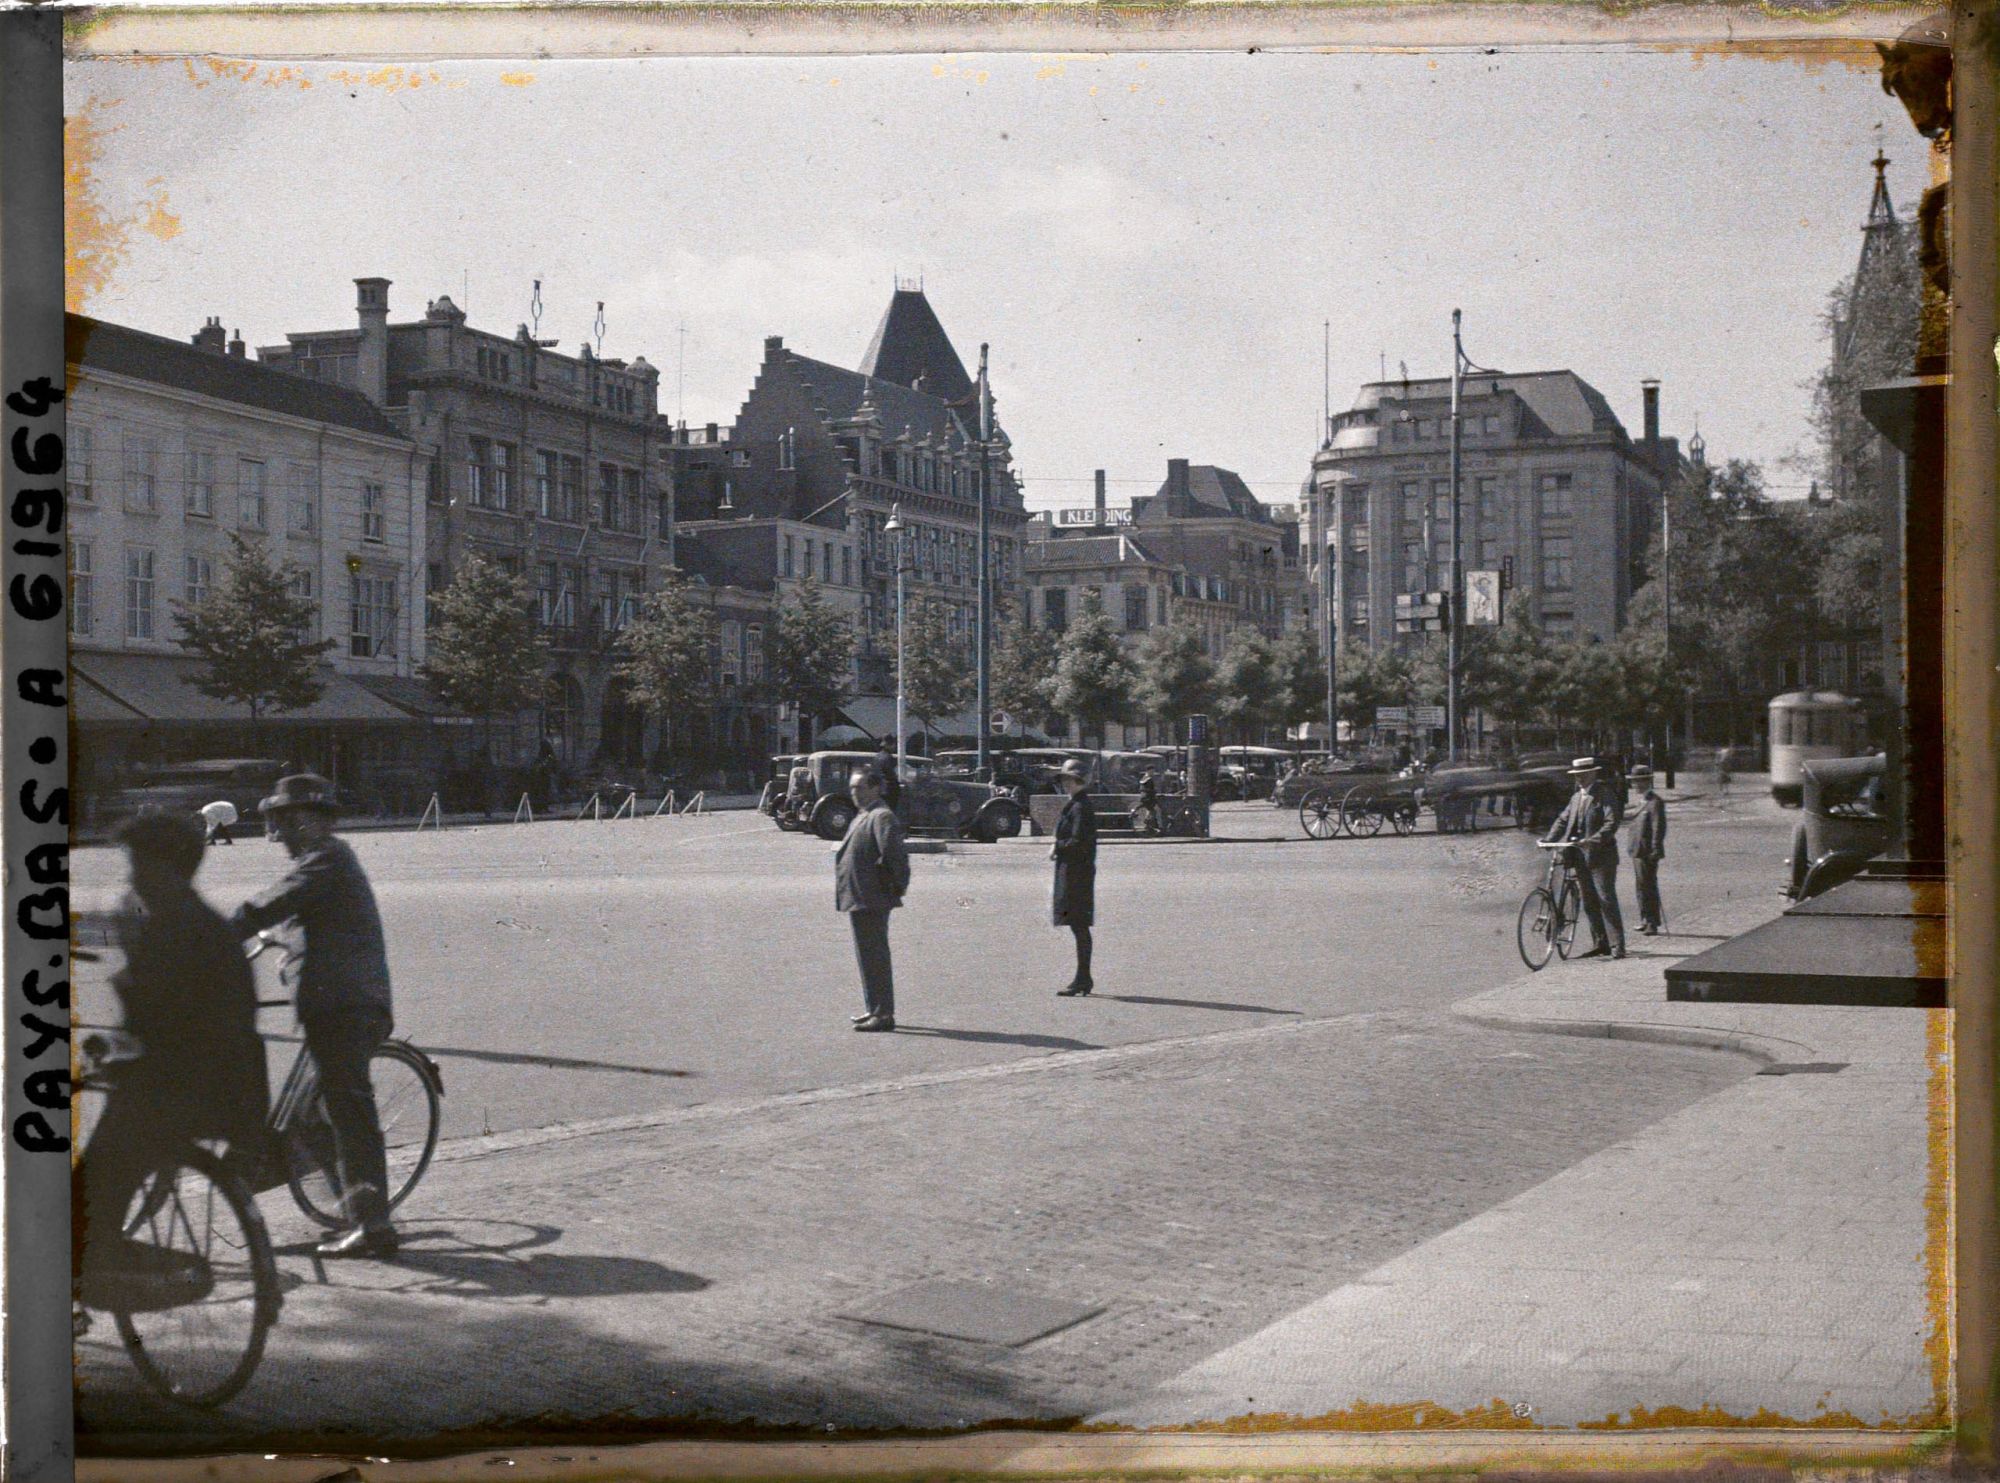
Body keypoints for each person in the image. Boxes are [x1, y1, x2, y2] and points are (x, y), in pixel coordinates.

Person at [78, 810, 269, 1281]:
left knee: (93, 1181)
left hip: (177, 1093)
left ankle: (100, 1266)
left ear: (167, 867)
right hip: (222, 1092)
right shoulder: (197, 920)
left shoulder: (174, 928)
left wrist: (110, 1054)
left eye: (139, 865)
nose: (132, 877)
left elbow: (153, 1018)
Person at [230, 774, 401, 1259]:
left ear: (310, 820)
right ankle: (357, 1208)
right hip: (336, 1004)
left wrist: (216, 935)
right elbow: (296, 915)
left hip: (345, 1007)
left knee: (348, 1112)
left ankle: (373, 1225)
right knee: (308, 1117)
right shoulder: (326, 860)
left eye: (284, 823)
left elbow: (275, 901)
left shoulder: (327, 859)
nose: (276, 835)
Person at [835, 765, 910, 1032]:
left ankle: (883, 1014)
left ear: (876, 788)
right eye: (852, 788)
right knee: (867, 956)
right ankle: (874, 1008)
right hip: (860, 895)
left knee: (875, 957)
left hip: (872, 897)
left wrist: (893, 889)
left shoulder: (881, 816)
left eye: (860, 787)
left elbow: (895, 857)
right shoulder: (864, 814)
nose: (855, 793)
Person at [1541, 755, 1626, 960]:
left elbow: (1611, 823)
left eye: (1583, 775)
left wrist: (1592, 840)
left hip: (1601, 857)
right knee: (1589, 901)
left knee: (1605, 898)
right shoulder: (1576, 798)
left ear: (1592, 774)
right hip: (1579, 857)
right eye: (1576, 775)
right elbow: (1562, 820)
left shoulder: (1604, 794)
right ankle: (1600, 943)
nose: (1579, 779)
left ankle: (1618, 945)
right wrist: (1548, 840)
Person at [1051, 759, 1099, 995]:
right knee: (1078, 926)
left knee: (1079, 926)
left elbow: (1079, 841)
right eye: (1064, 780)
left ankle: (1083, 978)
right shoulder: (1076, 804)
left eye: (1069, 780)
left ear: (1078, 780)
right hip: (1075, 871)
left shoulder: (1080, 807)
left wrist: (1057, 846)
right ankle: (1083, 978)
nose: (1065, 784)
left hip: (1076, 873)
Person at [1629, 765, 1668, 935]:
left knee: (1649, 886)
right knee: (1641, 886)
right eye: (1633, 782)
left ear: (1646, 782)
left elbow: (1658, 828)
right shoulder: (1642, 801)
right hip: (1637, 850)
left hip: (1647, 852)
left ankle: (1652, 922)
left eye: (1637, 782)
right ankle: (1644, 919)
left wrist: (1655, 849)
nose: (1634, 785)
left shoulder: (1655, 802)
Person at [872, 745, 902, 813]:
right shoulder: (888, 757)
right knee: (890, 811)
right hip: (889, 789)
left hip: (879, 788)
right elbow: (890, 773)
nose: (894, 747)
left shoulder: (877, 756)